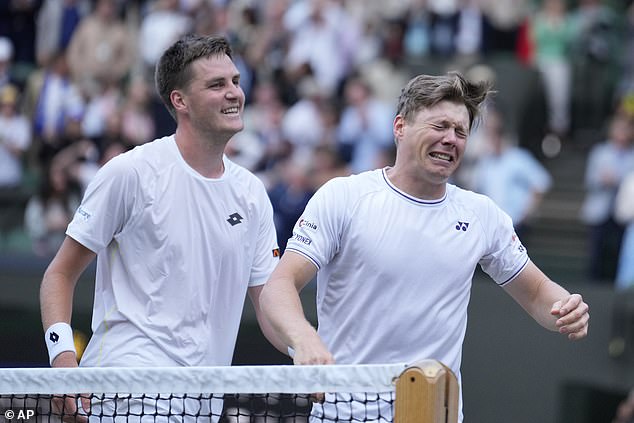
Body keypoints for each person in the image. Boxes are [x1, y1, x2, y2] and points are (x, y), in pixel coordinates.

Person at [260, 71, 589, 422]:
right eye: (440, 126)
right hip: (343, 414)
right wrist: (304, 338)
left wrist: (564, 309)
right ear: (400, 127)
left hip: (432, 415)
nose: (451, 139)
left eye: (460, 132)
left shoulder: (482, 214)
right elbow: (278, 286)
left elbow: (538, 292)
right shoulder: (344, 197)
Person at [40, 34, 285, 421]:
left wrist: (307, 348)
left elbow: (271, 306)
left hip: (203, 401)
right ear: (180, 100)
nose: (234, 93)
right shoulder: (129, 173)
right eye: (216, 84)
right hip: (127, 392)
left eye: (236, 81)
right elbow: (59, 274)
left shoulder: (252, 193)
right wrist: (62, 359)